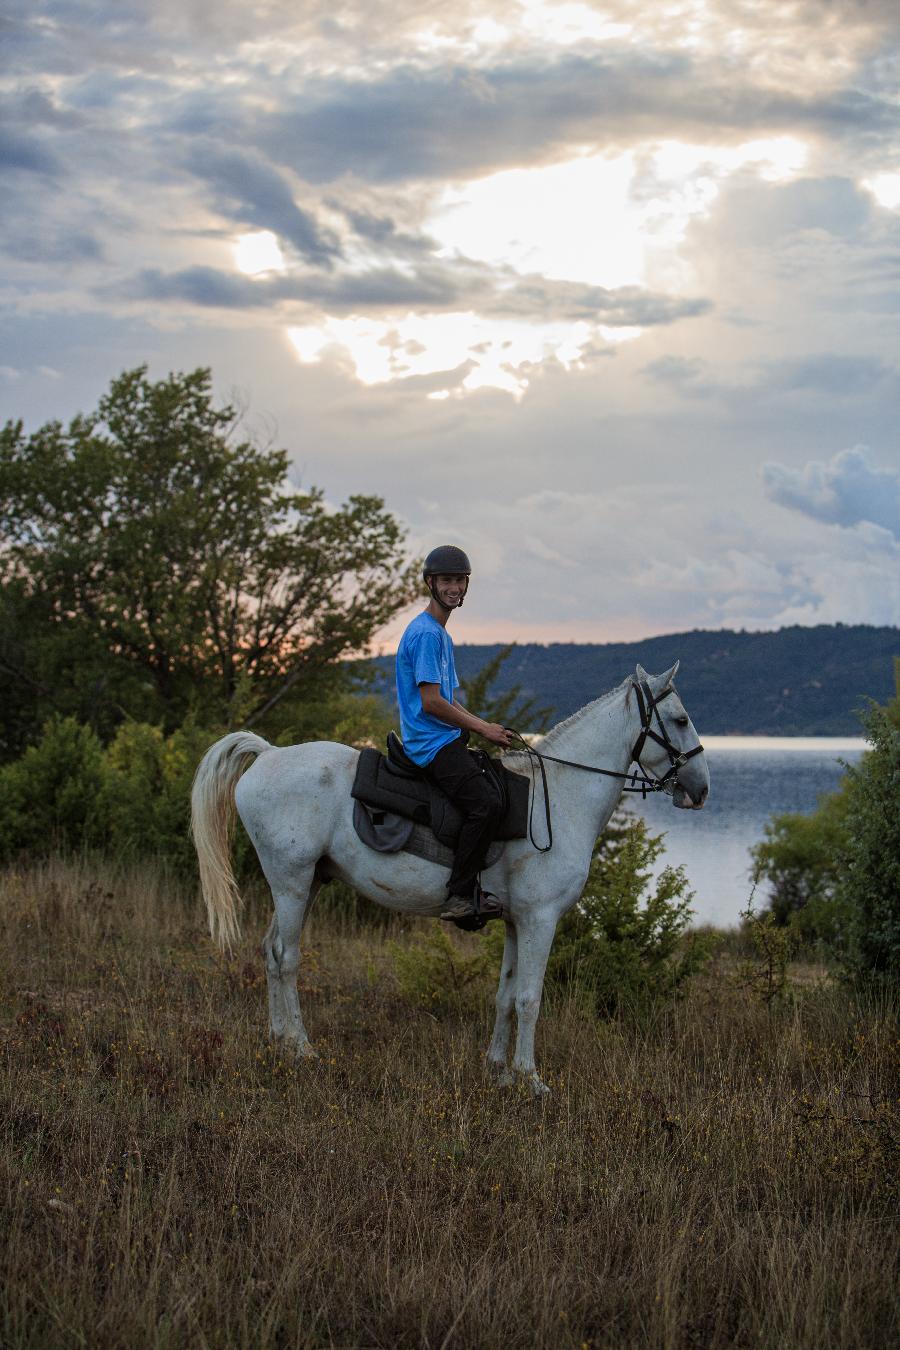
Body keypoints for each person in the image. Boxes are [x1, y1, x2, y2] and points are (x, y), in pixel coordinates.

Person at [395, 545, 512, 924]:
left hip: (443, 739)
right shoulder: (427, 635)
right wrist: (480, 728)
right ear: (431, 583)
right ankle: (459, 896)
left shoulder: (441, 636)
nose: (454, 587)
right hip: (429, 745)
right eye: (446, 580)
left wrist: (487, 728)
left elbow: (450, 701)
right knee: (487, 805)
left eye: (460, 580)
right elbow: (431, 703)